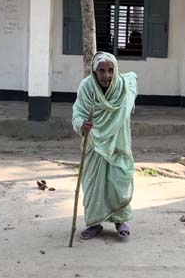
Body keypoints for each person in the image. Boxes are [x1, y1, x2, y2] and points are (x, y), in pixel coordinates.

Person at [72, 52, 138, 240]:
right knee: (93, 184)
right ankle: (94, 223)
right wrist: (81, 125)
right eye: (101, 70)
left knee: (119, 180)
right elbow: (77, 113)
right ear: (94, 71)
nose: (106, 75)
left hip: (118, 144)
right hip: (94, 144)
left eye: (110, 70)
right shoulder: (86, 87)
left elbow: (132, 82)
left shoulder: (123, 88)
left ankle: (120, 220)